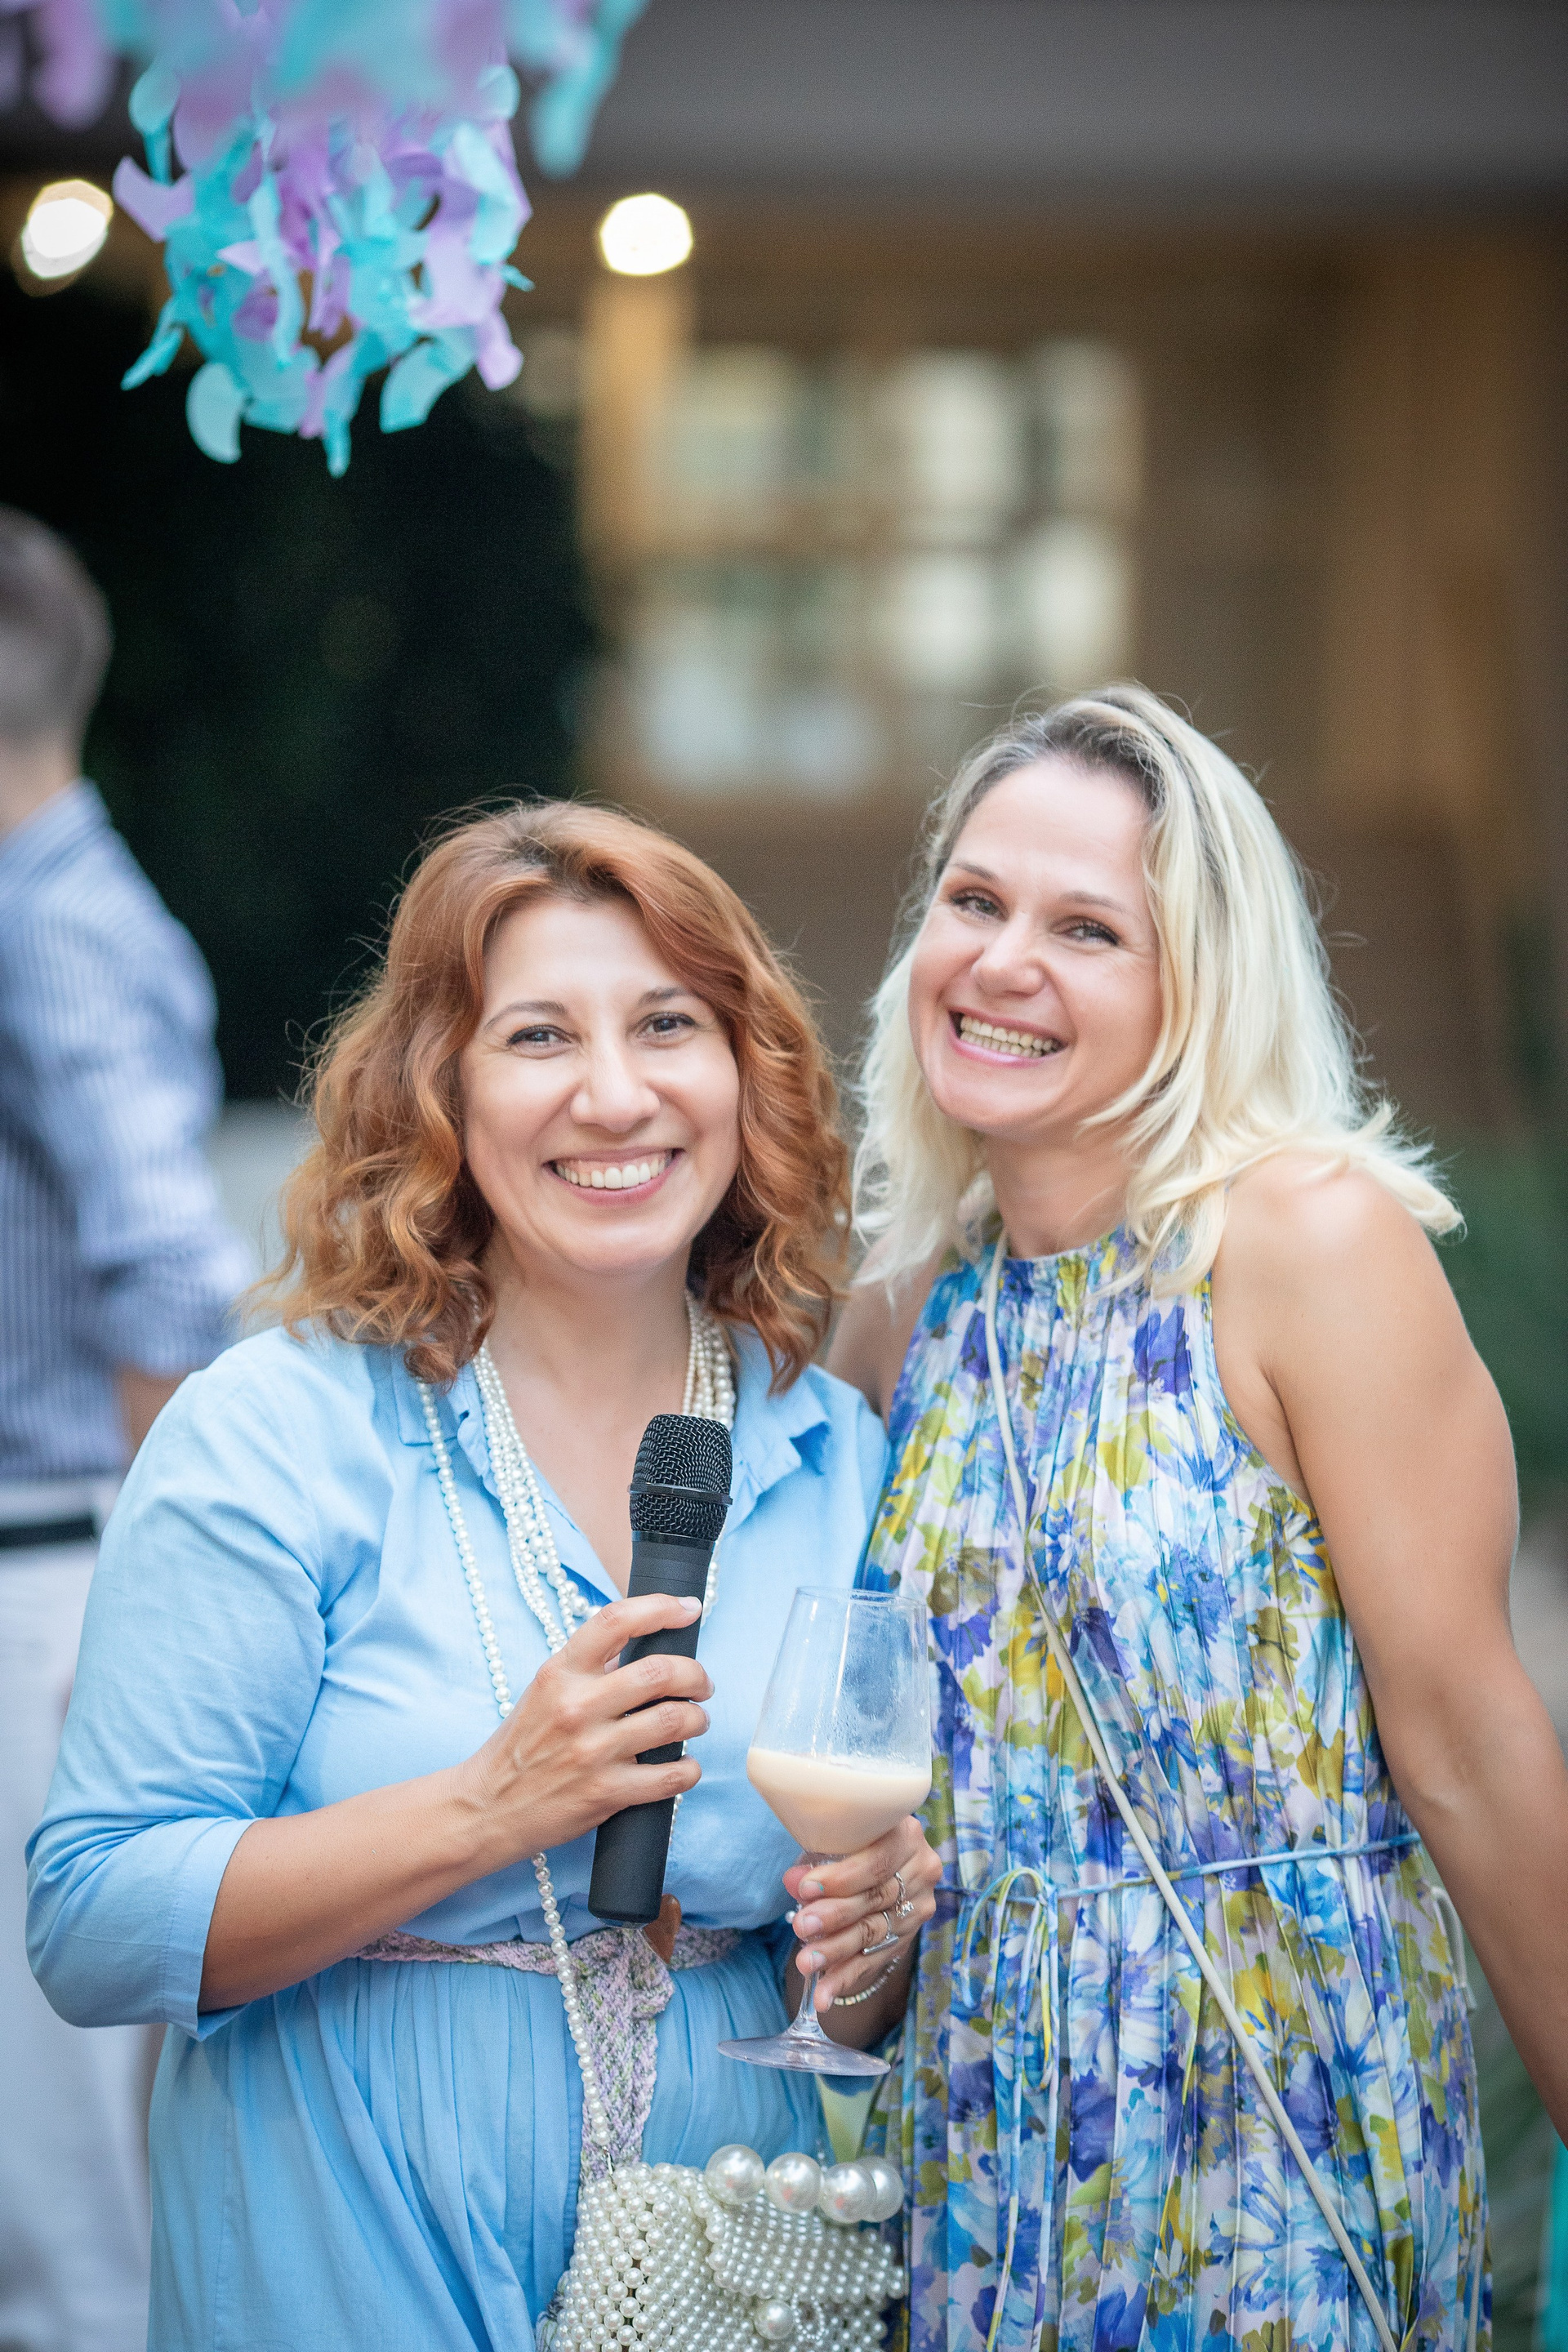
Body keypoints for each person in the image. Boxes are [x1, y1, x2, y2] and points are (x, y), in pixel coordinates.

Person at [28, 800, 942, 2352]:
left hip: (717, 2272)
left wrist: (872, 1940)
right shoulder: (278, 1431)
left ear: (747, 1072)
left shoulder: (837, 1453)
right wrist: (488, 1805)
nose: (615, 1093)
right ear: (439, 1087)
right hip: (345, 2234)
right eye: (538, 1037)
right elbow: (94, 1919)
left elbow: (836, 2010)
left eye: (668, 1024)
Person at [829, 685, 1566, 2352]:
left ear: (1200, 986)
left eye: (1088, 929)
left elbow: (1468, 1741)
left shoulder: (1306, 1242)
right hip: (977, 2152)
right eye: (974, 901)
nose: (1003, 962)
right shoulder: (908, 1303)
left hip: (1272, 2121)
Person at [0, 510, 248, 2352]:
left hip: (56, 1581)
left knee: (67, 2219)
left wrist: (162, 1610)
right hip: (56, 1572)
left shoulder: (48, 927)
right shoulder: (59, 905)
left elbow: (170, 1276)